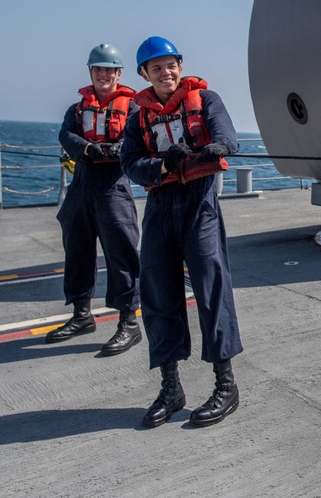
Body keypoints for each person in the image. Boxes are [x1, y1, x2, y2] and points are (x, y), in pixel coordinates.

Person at [120, 35, 243, 429]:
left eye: (171, 64)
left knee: (211, 285)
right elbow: (131, 163)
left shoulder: (206, 101)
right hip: (160, 205)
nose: (166, 72)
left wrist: (217, 148)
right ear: (144, 74)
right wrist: (161, 167)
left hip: (199, 202)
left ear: (180, 65)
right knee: (158, 292)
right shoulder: (139, 116)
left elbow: (228, 137)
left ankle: (226, 385)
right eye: (156, 68)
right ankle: (171, 387)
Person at [47, 44, 143, 356]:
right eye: (98, 69)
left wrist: (118, 149)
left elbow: (140, 135)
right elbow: (66, 135)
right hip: (82, 184)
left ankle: (129, 322)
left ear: (119, 74)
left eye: (109, 70)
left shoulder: (132, 108)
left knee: (122, 254)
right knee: (76, 250)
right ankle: (81, 315)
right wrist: (88, 149)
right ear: (91, 72)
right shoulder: (77, 109)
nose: (103, 74)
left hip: (113, 185)